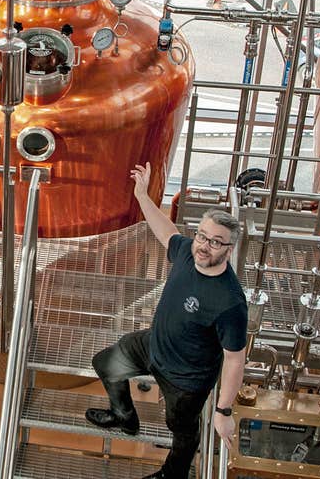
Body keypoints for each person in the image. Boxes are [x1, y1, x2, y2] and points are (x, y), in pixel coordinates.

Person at [84, 162, 248, 479]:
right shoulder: (188, 251)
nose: (204, 245)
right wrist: (142, 195)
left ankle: (174, 474)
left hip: (187, 378)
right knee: (105, 363)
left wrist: (224, 410)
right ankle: (124, 416)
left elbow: (235, 360)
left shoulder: (229, 302)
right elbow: (166, 232)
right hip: (153, 346)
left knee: (182, 429)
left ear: (228, 250)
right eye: (202, 236)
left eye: (215, 241)